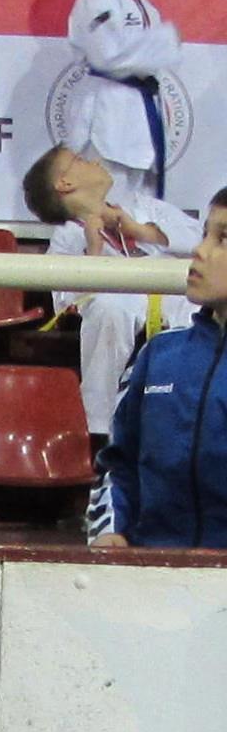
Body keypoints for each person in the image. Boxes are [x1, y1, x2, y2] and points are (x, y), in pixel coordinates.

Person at [22, 144, 198, 438]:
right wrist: (93, 253)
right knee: (108, 306)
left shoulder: (145, 208)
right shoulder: (67, 238)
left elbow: (203, 240)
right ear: (65, 183)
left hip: (178, 308)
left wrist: (141, 231)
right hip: (120, 322)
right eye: (79, 160)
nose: (94, 161)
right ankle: (98, 430)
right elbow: (65, 303)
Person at [87, 187, 227, 548]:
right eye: (205, 234)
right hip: (151, 570)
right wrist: (111, 533)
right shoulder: (158, 355)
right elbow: (118, 465)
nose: (200, 251)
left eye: (223, 239)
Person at [64, 0, 180, 199]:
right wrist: (163, 45)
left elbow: (149, 57)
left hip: (141, 119)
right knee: (105, 204)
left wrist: (159, 48)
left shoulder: (145, 6)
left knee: (140, 212)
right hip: (109, 119)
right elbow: (107, 53)